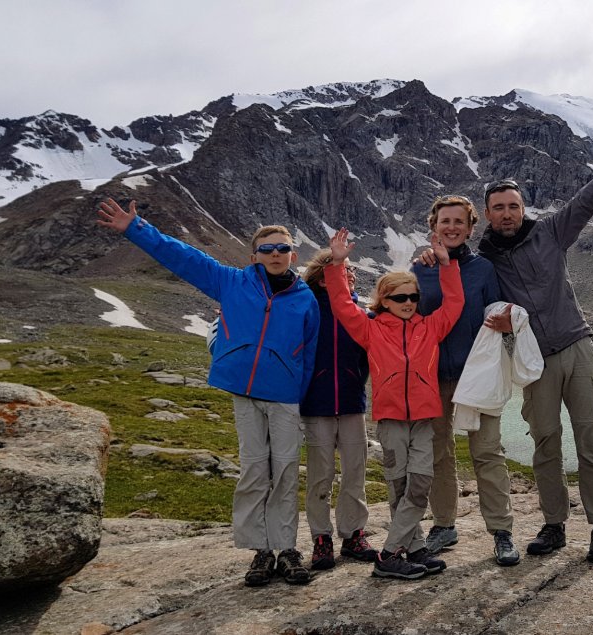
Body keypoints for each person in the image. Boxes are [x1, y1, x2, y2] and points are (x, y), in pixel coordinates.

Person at [95, 198, 319, 586]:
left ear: (294, 254)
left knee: (283, 470)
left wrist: (301, 394)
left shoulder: (305, 299)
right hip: (245, 391)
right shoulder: (231, 281)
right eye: (267, 249)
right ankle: (261, 551)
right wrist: (136, 228)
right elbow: (183, 257)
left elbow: (310, 350)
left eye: (283, 248)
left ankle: (288, 550)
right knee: (254, 468)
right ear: (255, 256)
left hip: (284, 396)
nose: (276, 254)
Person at [478, 123, 593, 564]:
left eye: (513, 206)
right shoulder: (483, 261)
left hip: (576, 347)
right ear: (487, 214)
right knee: (546, 443)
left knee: (591, 441)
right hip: (534, 362)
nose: (507, 214)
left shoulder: (551, 231)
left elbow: (592, 195)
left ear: (523, 208)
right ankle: (554, 524)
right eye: (498, 208)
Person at [324, 228, 463, 579]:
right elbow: (341, 304)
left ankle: (391, 554)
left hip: (424, 420)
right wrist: (337, 264)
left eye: (413, 297)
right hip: (391, 421)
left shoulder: (430, 328)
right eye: (400, 297)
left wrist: (447, 265)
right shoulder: (370, 329)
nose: (408, 302)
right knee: (400, 487)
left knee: (419, 484)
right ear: (384, 299)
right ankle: (410, 548)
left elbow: (455, 304)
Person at [411, 195, 520, 566]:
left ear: (471, 228)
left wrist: (507, 325)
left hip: (478, 375)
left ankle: (501, 531)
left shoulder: (483, 269)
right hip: (434, 376)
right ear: (434, 226)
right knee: (439, 453)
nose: (452, 227)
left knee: (487, 451)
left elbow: (495, 313)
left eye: (460, 222)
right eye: (445, 221)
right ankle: (445, 525)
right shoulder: (420, 270)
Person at [299, 249, 378, 569]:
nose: (351, 276)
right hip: (316, 405)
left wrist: (356, 381)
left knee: (355, 472)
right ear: (322, 276)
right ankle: (321, 538)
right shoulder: (307, 309)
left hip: (350, 403)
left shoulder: (360, 313)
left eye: (352, 272)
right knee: (321, 475)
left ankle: (353, 534)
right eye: (345, 271)